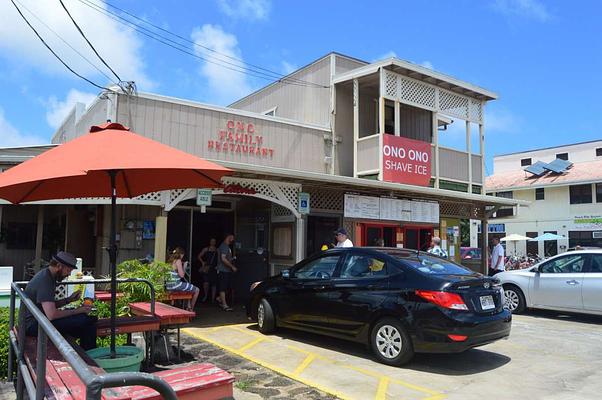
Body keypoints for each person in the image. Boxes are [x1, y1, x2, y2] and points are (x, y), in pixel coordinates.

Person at [19, 251, 97, 350]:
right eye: (68, 270)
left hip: (37, 320)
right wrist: (79, 310)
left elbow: (47, 305)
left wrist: (68, 300)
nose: (68, 274)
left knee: (84, 321)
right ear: (59, 266)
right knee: (87, 322)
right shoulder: (46, 281)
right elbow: (52, 315)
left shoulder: (47, 275)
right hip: (32, 325)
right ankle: (88, 359)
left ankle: (83, 355)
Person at [166, 247, 200, 311]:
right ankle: (191, 309)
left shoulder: (170, 261)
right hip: (176, 285)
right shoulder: (178, 261)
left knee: (188, 289)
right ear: (181, 254)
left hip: (169, 286)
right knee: (197, 290)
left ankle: (188, 306)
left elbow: (175, 274)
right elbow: (182, 275)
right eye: (183, 255)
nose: (183, 256)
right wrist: (184, 267)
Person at [217, 234, 237, 311]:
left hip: (226, 270)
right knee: (223, 287)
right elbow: (223, 258)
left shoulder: (226, 247)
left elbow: (225, 258)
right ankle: (224, 305)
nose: (233, 240)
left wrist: (232, 258)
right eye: (232, 238)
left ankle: (220, 298)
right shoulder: (224, 246)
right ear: (228, 237)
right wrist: (232, 266)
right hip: (223, 270)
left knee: (227, 286)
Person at [197, 238, 219, 303]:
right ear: (209, 242)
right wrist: (202, 262)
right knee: (206, 282)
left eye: (214, 241)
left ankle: (213, 298)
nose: (213, 242)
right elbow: (199, 256)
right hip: (207, 267)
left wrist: (218, 265)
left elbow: (219, 259)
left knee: (214, 283)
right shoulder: (206, 249)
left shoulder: (217, 250)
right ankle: (205, 295)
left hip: (214, 268)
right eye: (212, 241)